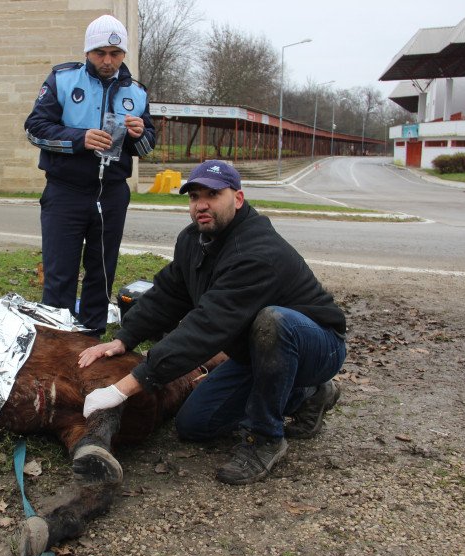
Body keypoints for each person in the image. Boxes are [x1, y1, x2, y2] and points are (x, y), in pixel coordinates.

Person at [77, 160, 347, 485]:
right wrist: (124, 338)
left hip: (316, 346)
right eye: (194, 196)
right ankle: (308, 396)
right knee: (195, 425)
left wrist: (123, 388)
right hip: (255, 353)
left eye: (212, 194)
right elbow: (168, 293)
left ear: (238, 198)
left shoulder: (257, 252)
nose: (201, 204)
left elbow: (206, 326)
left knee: (273, 321)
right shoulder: (194, 240)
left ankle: (266, 439)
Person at [24, 14, 155, 336]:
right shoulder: (62, 80)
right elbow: (34, 129)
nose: (108, 61)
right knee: (60, 272)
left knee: (102, 271)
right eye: (100, 53)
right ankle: (57, 338)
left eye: (115, 53)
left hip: (111, 194)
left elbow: (148, 146)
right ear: (87, 52)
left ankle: (92, 335)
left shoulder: (136, 93)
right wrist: (78, 139)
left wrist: (140, 134)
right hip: (65, 191)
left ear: (123, 54)